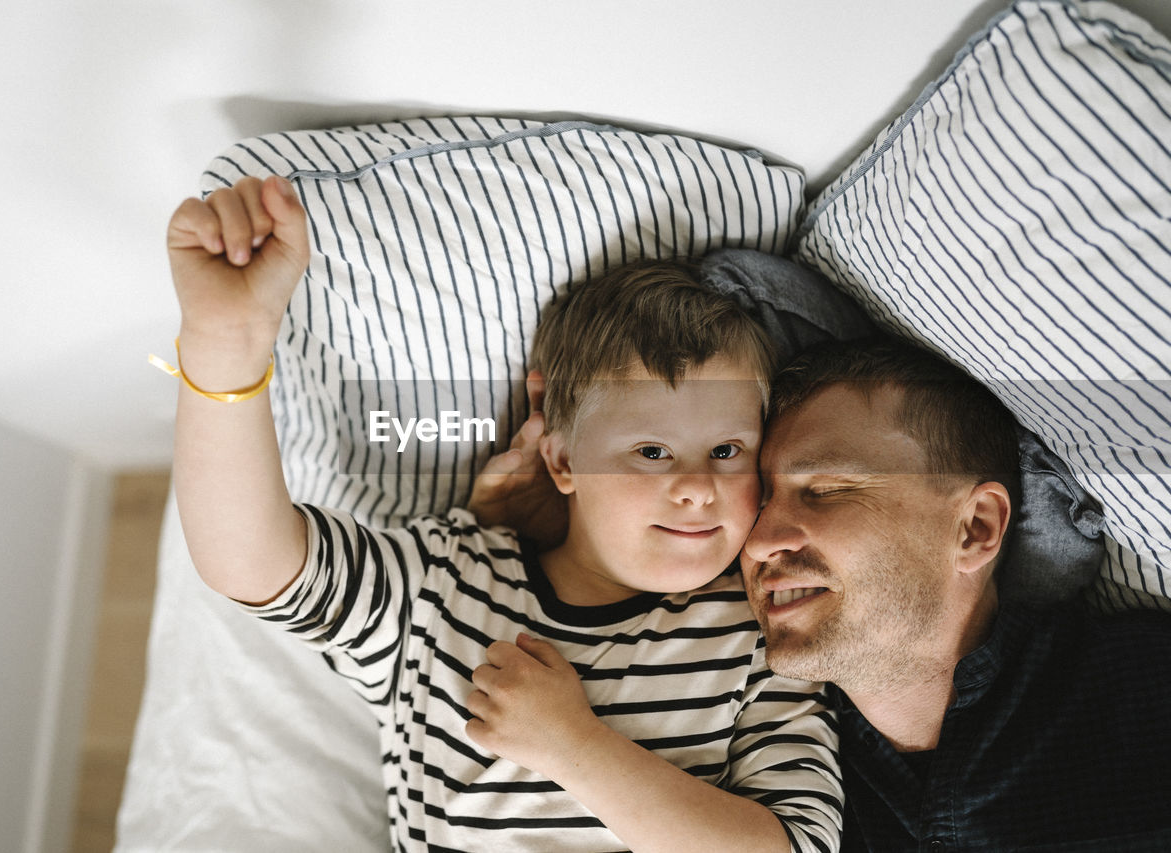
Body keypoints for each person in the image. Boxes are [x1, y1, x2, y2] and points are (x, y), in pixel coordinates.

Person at [165, 175, 842, 852]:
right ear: (563, 461)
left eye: (726, 449)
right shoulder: (448, 583)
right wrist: (225, 351)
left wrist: (574, 747)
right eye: (652, 450)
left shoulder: (757, 628)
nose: (697, 486)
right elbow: (252, 561)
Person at [473, 336, 1171, 851]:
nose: (758, 539)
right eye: (761, 500)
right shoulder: (761, 760)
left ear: (975, 526)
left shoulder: (1142, 696)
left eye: (826, 489)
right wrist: (545, 543)